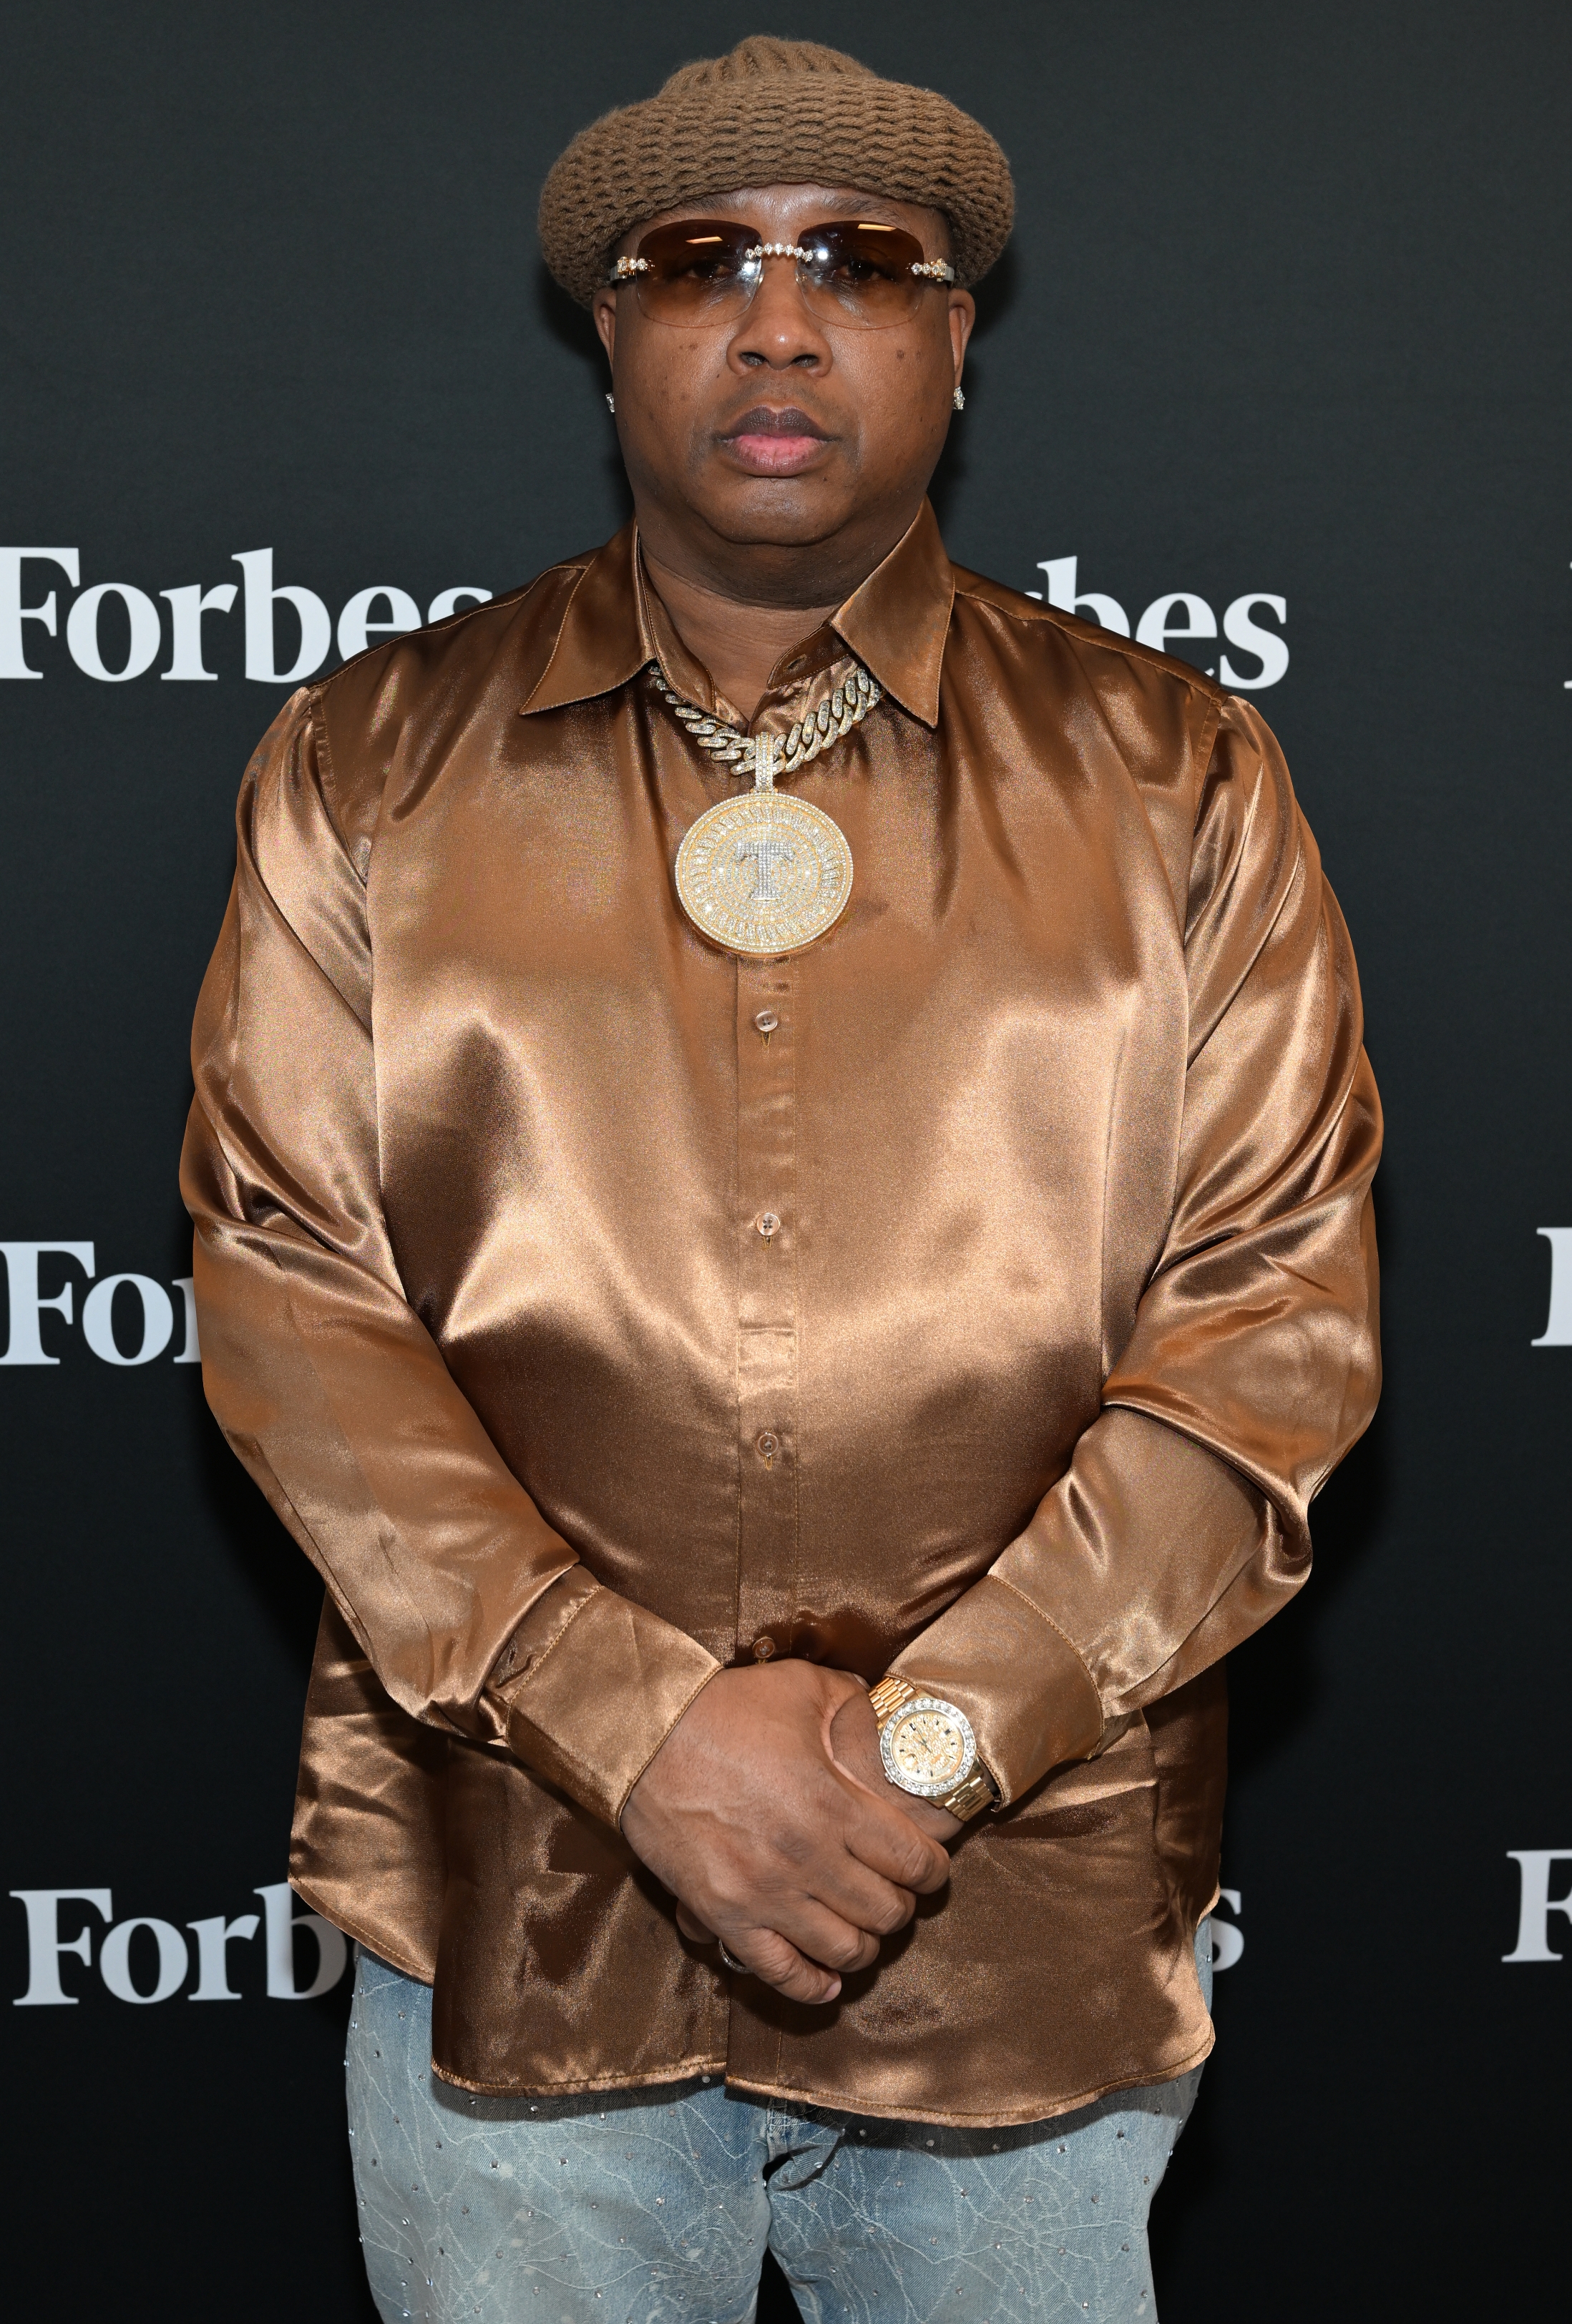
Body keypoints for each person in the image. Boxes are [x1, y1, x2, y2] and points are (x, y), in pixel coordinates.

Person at [182, 35, 1381, 2324]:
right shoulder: (367, 764)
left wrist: (928, 1747)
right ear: (611, 343)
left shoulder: (1182, 777)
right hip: (517, 1918)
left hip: (1016, 1931)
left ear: (952, 345)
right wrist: (629, 1722)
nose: (778, 317)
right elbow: (291, 1293)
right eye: (699, 260)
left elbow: (1276, 1319)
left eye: (863, 261)